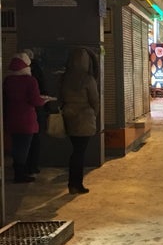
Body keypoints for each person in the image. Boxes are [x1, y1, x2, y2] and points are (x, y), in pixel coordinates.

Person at [3, 53, 54, 183]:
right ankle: (20, 174)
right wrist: (44, 101)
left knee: (16, 147)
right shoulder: (30, 81)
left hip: (11, 119)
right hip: (26, 120)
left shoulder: (8, 80)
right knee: (24, 148)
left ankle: (17, 171)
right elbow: (35, 101)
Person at [60, 47, 100, 195]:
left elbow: (61, 96)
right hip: (84, 118)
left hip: (69, 116)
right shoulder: (88, 79)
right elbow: (94, 100)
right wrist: (93, 114)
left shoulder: (65, 77)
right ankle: (77, 184)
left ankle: (72, 183)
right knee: (79, 153)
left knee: (75, 152)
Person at [23, 48, 47, 176]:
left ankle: (22, 168)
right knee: (34, 140)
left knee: (20, 144)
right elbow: (40, 90)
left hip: (14, 118)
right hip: (33, 113)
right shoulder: (34, 74)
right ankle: (32, 166)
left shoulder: (9, 78)